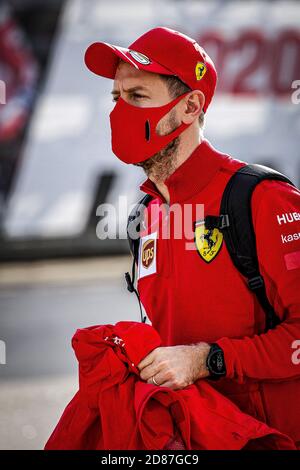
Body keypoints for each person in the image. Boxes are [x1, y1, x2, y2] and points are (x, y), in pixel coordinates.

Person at [84, 27, 300, 448]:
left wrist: (207, 360)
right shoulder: (147, 214)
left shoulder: (264, 199)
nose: (119, 112)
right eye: (116, 98)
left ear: (190, 106)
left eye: (137, 97)